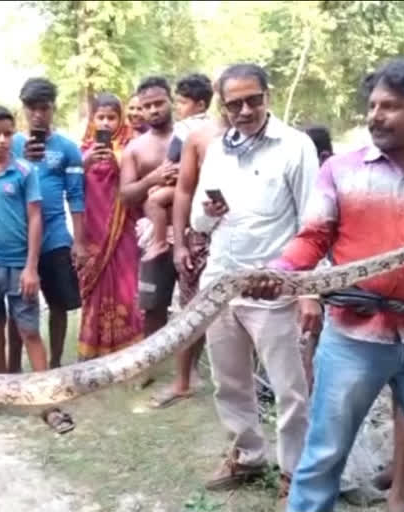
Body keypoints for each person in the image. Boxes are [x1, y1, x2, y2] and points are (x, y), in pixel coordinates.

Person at [247, 58, 404, 512]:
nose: (375, 115)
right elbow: (312, 238)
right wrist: (280, 273)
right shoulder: (341, 171)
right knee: (324, 455)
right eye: (372, 105)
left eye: (390, 106)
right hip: (353, 338)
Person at [190, 64, 318, 503]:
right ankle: (247, 455)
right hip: (222, 284)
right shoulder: (217, 151)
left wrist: (308, 293)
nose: (245, 110)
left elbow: (312, 224)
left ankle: (294, 473)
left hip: (274, 290)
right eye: (234, 104)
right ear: (222, 106)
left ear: (267, 95)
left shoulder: (295, 146)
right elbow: (197, 221)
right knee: (230, 382)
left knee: (290, 389)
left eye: (253, 100)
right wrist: (211, 211)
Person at [0, 105, 74, 433]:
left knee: (28, 331)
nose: (1, 140)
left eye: (7, 133)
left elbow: (36, 218)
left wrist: (31, 267)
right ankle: (2, 389)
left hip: (18, 267)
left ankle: (47, 402)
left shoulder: (25, 172)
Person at [160, 79, 230, 408]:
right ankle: (182, 381)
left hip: (249, 241)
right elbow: (184, 191)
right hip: (201, 238)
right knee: (191, 311)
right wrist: (180, 245)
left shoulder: (278, 142)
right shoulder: (199, 137)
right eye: (231, 98)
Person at [10, 77, 85, 371]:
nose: (38, 114)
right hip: (19, 237)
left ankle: (54, 364)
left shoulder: (67, 148)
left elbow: (76, 196)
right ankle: (13, 370)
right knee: (17, 308)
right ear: (24, 109)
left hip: (55, 237)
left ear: (53, 108)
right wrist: (22, 160)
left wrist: (78, 242)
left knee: (59, 305)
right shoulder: (11, 144)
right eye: (32, 108)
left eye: (44, 108)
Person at [119, 76, 179, 387]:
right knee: (153, 305)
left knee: (197, 303)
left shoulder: (191, 138)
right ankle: (150, 366)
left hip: (193, 231)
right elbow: (127, 194)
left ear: (171, 100)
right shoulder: (135, 148)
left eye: (158, 103)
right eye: (146, 106)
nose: (153, 110)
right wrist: (153, 178)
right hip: (152, 238)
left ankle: (188, 371)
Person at [77, 93, 144, 359]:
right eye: (100, 117)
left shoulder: (131, 149)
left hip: (123, 228)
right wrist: (85, 163)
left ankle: (127, 348)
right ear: (92, 119)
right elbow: (72, 190)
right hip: (92, 229)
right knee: (95, 287)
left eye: (111, 117)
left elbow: (136, 186)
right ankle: (93, 345)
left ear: (120, 119)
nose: (105, 123)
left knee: (126, 284)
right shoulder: (82, 150)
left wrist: (118, 162)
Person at [142, 73, 214, 264]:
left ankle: (159, 241)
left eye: (182, 103)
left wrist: (162, 180)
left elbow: (171, 157)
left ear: (199, 105)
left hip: (185, 182)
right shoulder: (213, 125)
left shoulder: (185, 126)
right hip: (203, 186)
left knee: (153, 201)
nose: (178, 108)